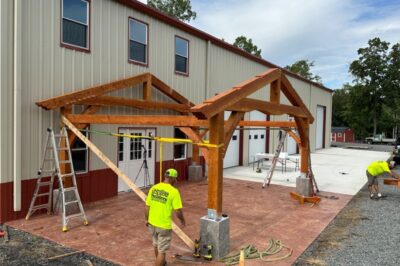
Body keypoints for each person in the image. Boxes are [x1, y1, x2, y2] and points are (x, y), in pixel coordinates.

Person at [145, 168, 185, 266]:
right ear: (172, 178)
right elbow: (178, 210)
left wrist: (147, 219)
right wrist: (182, 220)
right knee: (162, 250)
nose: (175, 181)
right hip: (163, 225)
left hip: (152, 223)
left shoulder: (154, 188)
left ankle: (162, 263)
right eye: (175, 179)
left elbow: (147, 206)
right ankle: (160, 262)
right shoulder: (174, 191)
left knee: (156, 245)